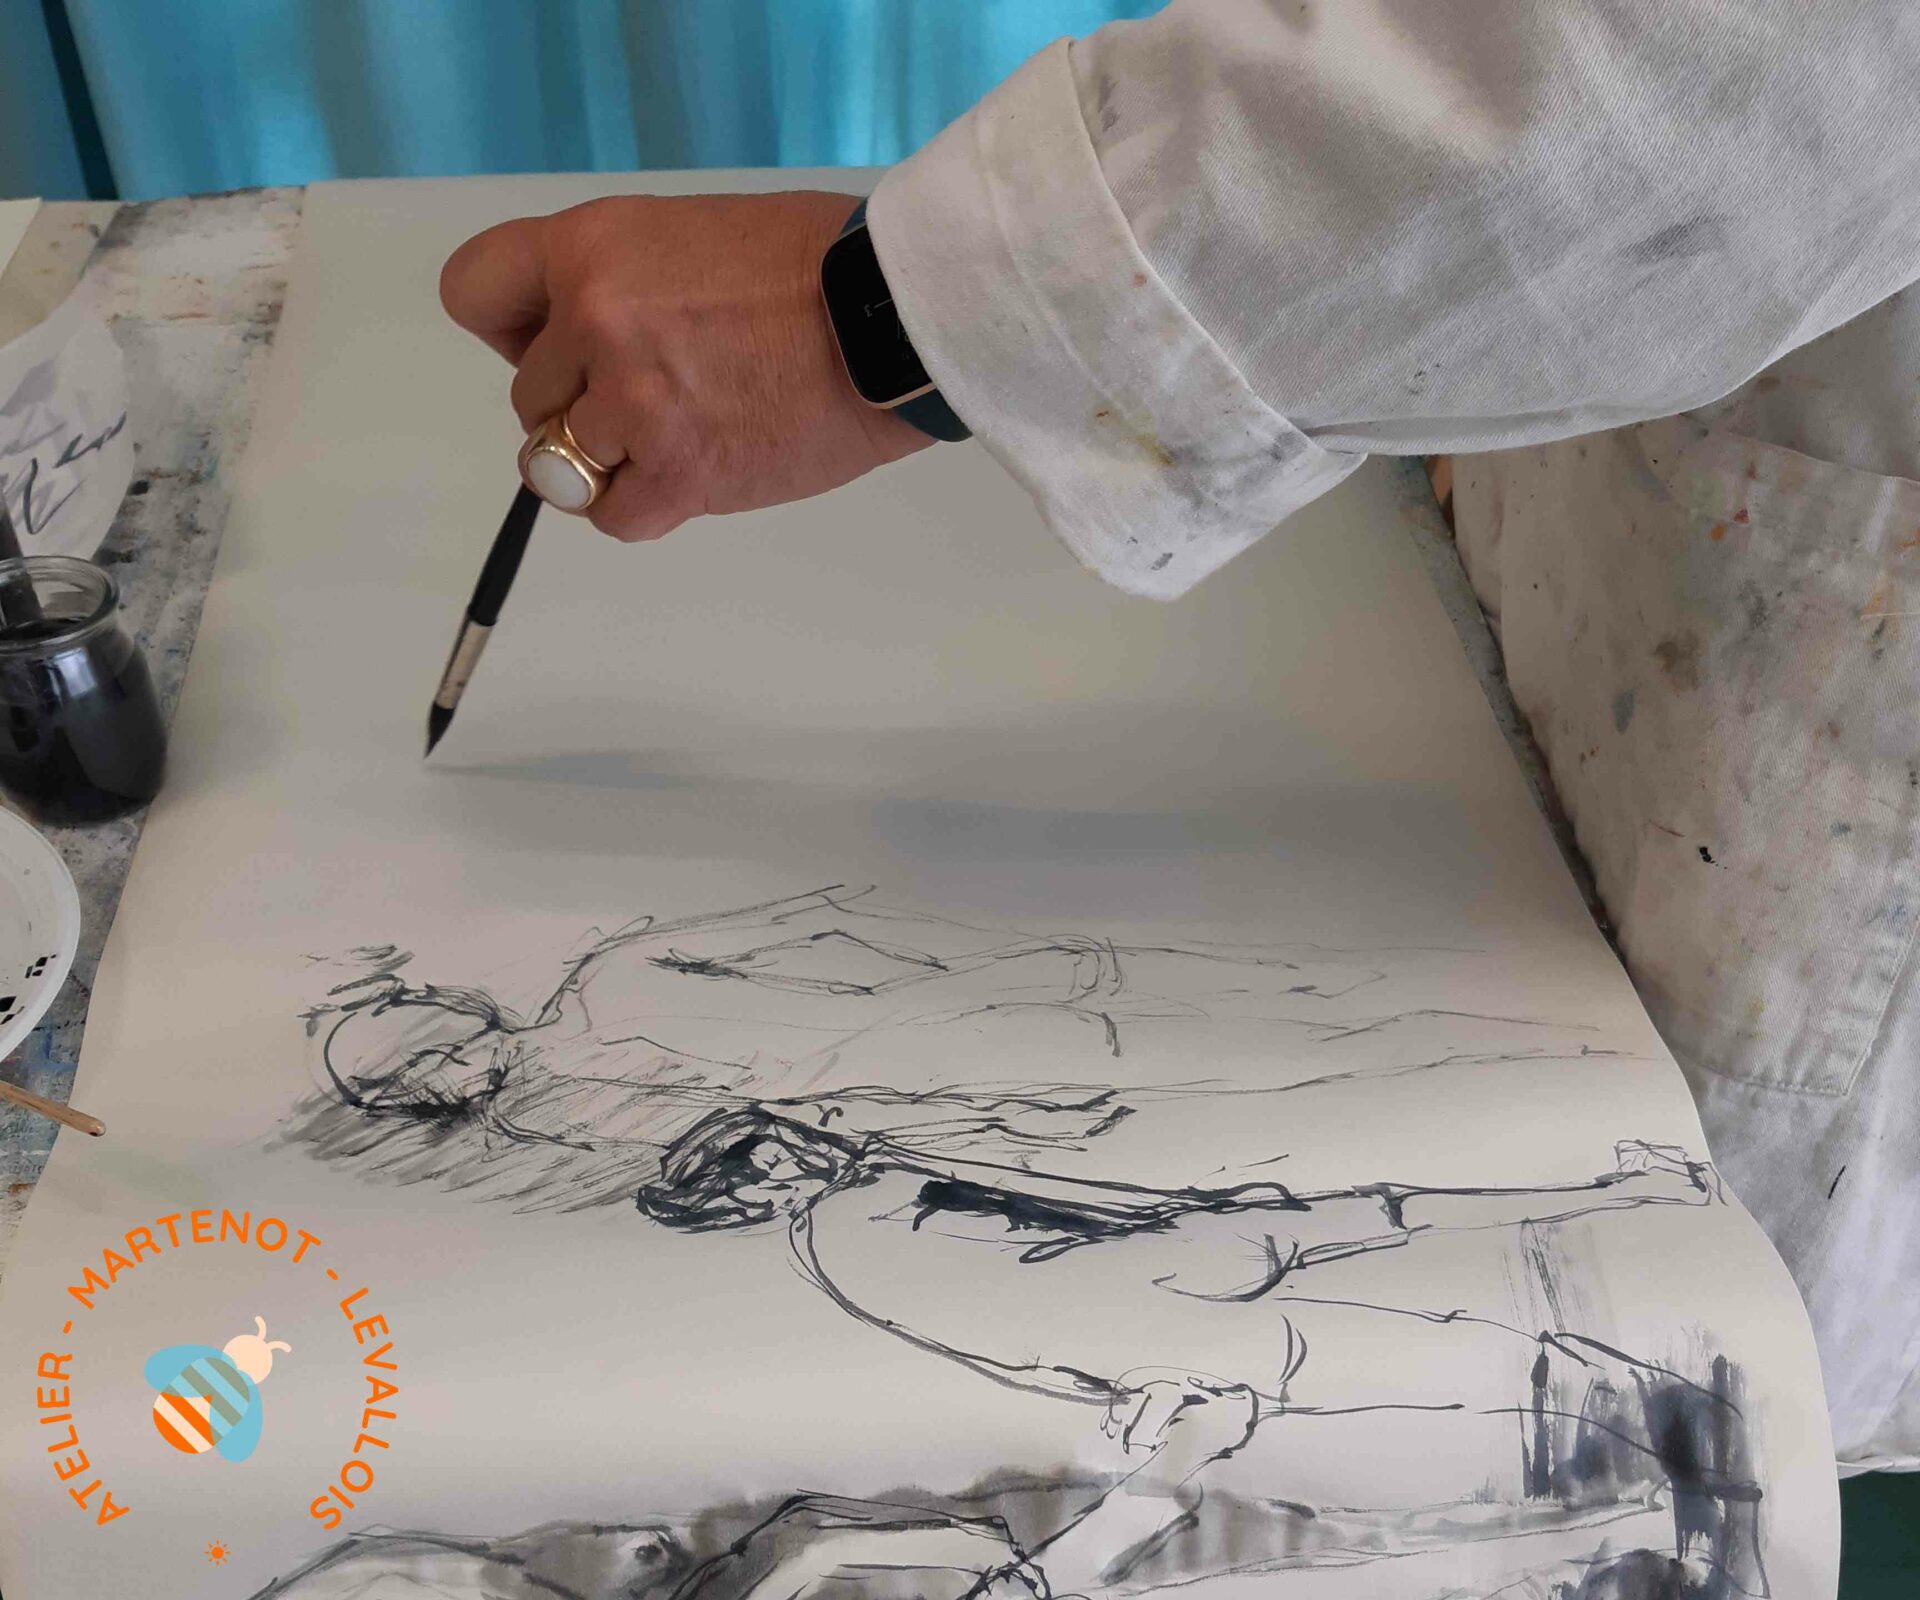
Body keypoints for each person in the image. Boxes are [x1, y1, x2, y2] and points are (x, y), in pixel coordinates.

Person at [435, 3, 1920, 1468]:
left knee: (1648, 1363)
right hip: (1538, 599)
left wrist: (873, 322)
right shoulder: (817, 1189)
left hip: (1772, 583)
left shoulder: (730, 1086)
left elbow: (1750, 59)